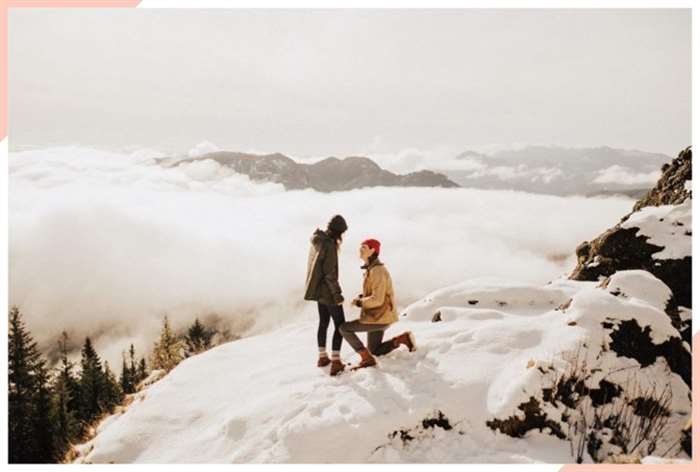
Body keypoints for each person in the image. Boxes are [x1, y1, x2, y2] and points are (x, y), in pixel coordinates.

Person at [339, 238, 416, 370]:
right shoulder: (372, 269)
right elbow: (377, 294)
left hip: (379, 318)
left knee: (344, 328)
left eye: (364, 247)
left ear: (372, 250)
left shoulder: (377, 271)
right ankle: (402, 339)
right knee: (374, 350)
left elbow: (377, 300)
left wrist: (359, 302)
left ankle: (366, 359)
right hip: (379, 316)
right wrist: (362, 297)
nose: (360, 250)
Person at [304, 214, 348, 376]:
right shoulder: (329, 245)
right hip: (328, 291)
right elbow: (330, 273)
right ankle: (336, 361)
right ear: (339, 232)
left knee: (324, 322)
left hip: (318, 290)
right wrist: (337, 294)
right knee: (340, 325)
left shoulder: (318, 240)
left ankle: (322, 357)